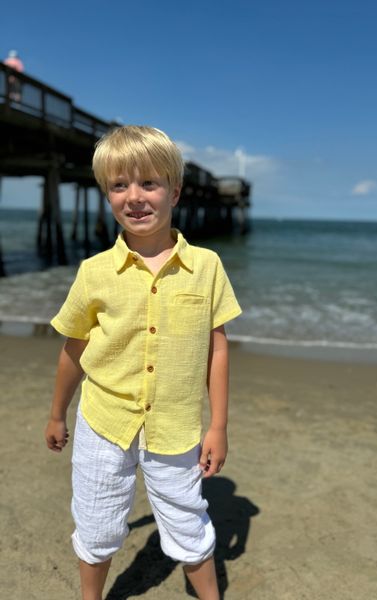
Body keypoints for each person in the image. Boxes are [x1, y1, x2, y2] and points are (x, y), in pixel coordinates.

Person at [45, 125, 242, 600]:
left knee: (187, 519)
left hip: (175, 426)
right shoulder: (94, 272)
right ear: (106, 193)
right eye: (119, 185)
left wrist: (218, 426)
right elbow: (74, 349)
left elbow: (217, 347)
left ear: (174, 191)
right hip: (103, 422)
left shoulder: (208, 266)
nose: (134, 197)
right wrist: (57, 413)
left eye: (149, 184)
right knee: (96, 522)